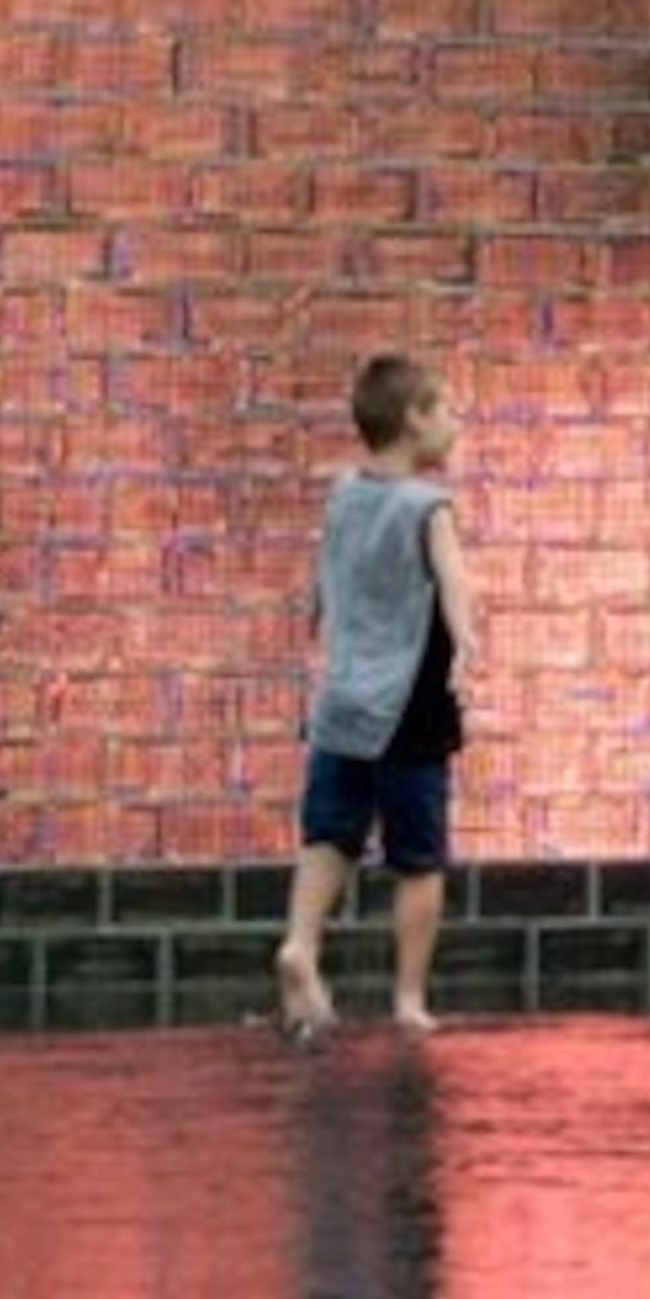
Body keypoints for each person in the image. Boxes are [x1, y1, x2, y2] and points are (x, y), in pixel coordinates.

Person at [275, 356, 480, 1042]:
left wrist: (315, 620)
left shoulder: (343, 493)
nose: (456, 421)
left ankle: (301, 944)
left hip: (344, 697)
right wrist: (468, 641)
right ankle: (409, 998)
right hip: (411, 703)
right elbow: (454, 582)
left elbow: (325, 571)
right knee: (418, 858)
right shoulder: (428, 505)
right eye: (446, 408)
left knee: (329, 833)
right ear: (414, 421)